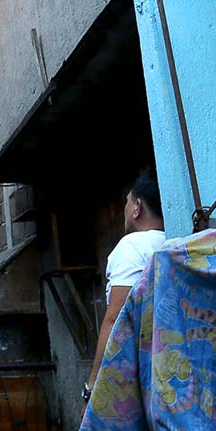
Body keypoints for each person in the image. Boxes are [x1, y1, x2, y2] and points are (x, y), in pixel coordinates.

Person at [84, 171, 167, 402]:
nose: (125, 209)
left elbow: (114, 319)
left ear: (137, 207)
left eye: (127, 202)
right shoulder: (172, 239)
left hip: (138, 375)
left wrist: (92, 387)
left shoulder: (132, 246)